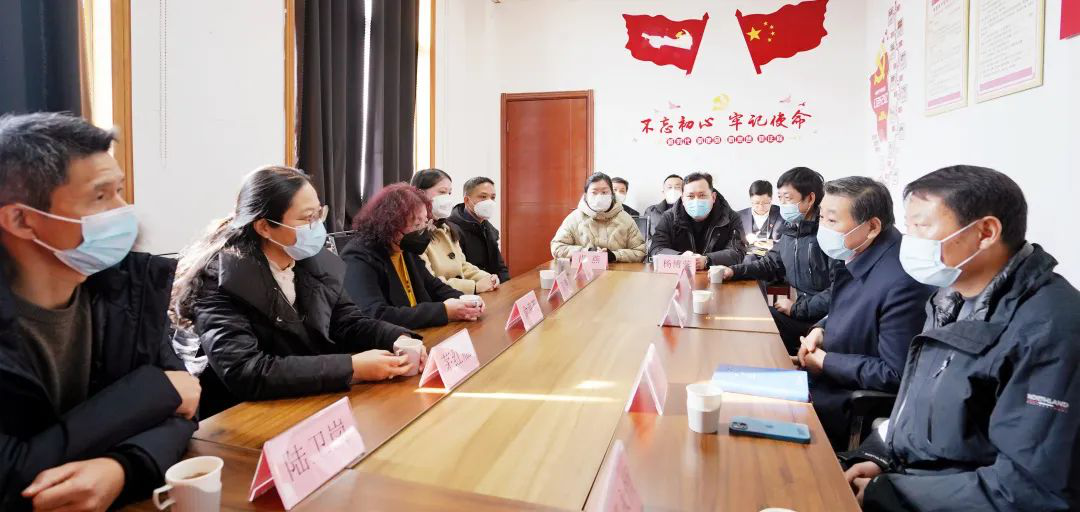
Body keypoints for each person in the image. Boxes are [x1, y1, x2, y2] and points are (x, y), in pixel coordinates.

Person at [841, 166, 1080, 511]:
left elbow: (1031, 490)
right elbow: (922, 410)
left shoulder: (1051, 330)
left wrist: (891, 492)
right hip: (907, 481)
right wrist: (878, 457)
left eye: (922, 226)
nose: (910, 240)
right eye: (909, 227)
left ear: (985, 232)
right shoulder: (950, 297)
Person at [0, 113, 199, 509]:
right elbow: (11, 477)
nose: (124, 211)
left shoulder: (129, 289)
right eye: (100, 197)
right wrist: (150, 393)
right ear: (21, 219)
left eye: (120, 191)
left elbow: (184, 409)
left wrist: (122, 467)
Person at [172, 166, 425, 417]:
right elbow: (246, 370)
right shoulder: (219, 279)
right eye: (306, 218)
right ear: (264, 227)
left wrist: (397, 337)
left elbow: (347, 321)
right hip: (244, 414)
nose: (317, 226)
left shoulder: (312, 261)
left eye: (319, 214)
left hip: (309, 399)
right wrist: (352, 367)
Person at [793, 177, 933, 450]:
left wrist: (826, 362)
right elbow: (850, 308)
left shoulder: (902, 280)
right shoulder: (859, 253)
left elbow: (895, 373)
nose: (823, 227)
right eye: (821, 217)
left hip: (843, 400)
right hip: (827, 378)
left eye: (832, 220)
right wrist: (821, 329)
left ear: (872, 227)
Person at [714, 167, 833, 352]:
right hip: (804, 313)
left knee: (760, 324)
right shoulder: (792, 230)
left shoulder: (828, 235)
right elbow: (770, 263)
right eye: (780, 198)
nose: (783, 204)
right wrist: (734, 271)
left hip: (825, 322)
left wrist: (797, 309)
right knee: (752, 317)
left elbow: (838, 291)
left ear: (810, 198)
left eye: (788, 198)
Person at [343, 183, 483, 330]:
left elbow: (433, 286)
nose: (423, 229)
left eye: (425, 221)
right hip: (394, 339)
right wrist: (444, 311)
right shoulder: (359, 256)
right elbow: (374, 314)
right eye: (417, 224)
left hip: (420, 331)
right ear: (391, 225)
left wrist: (464, 301)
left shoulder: (405, 247)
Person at [411, 169, 499, 294]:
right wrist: (474, 287)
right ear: (420, 193)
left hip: (459, 297)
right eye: (442, 192)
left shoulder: (446, 229)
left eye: (449, 193)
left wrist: (486, 278)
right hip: (441, 300)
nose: (447, 198)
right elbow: (429, 281)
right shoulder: (413, 235)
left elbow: (462, 265)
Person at [648, 172, 746, 269]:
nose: (696, 200)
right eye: (690, 196)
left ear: (713, 197)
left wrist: (707, 260)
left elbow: (737, 252)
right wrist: (680, 257)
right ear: (682, 199)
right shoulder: (669, 217)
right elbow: (656, 248)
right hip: (679, 274)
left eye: (702, 195)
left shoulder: (730, 218)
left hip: (717, 275)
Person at [551, 172, 646, 263]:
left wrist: (614, 255)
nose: (599, 196)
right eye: (594, 192)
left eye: (604, 192)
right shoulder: (574, 219)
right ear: (586, 195)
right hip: (583, 273)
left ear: (612, 195)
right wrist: (587, 252)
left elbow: (640, 252)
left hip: (618, 273)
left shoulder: (626, 219)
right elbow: (557, 247)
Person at [446, 177, 510, 282]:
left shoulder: (489, 229)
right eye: (483, 197)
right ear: (467, 200)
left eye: (492, 197)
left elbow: (500, 267)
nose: (489, 202)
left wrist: (506, 286)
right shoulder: (451, 229)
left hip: (492, 285)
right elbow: (458, 271)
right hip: (470, 288)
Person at [737, 179, 783, 263]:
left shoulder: (782, 214)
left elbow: (787, 242)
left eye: (765, 203)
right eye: (756, 203)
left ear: (771, 199)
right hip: (747, 260)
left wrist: (772, 243)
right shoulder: (739, 216)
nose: (761, 207)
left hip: (773, 260)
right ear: (750, 200)